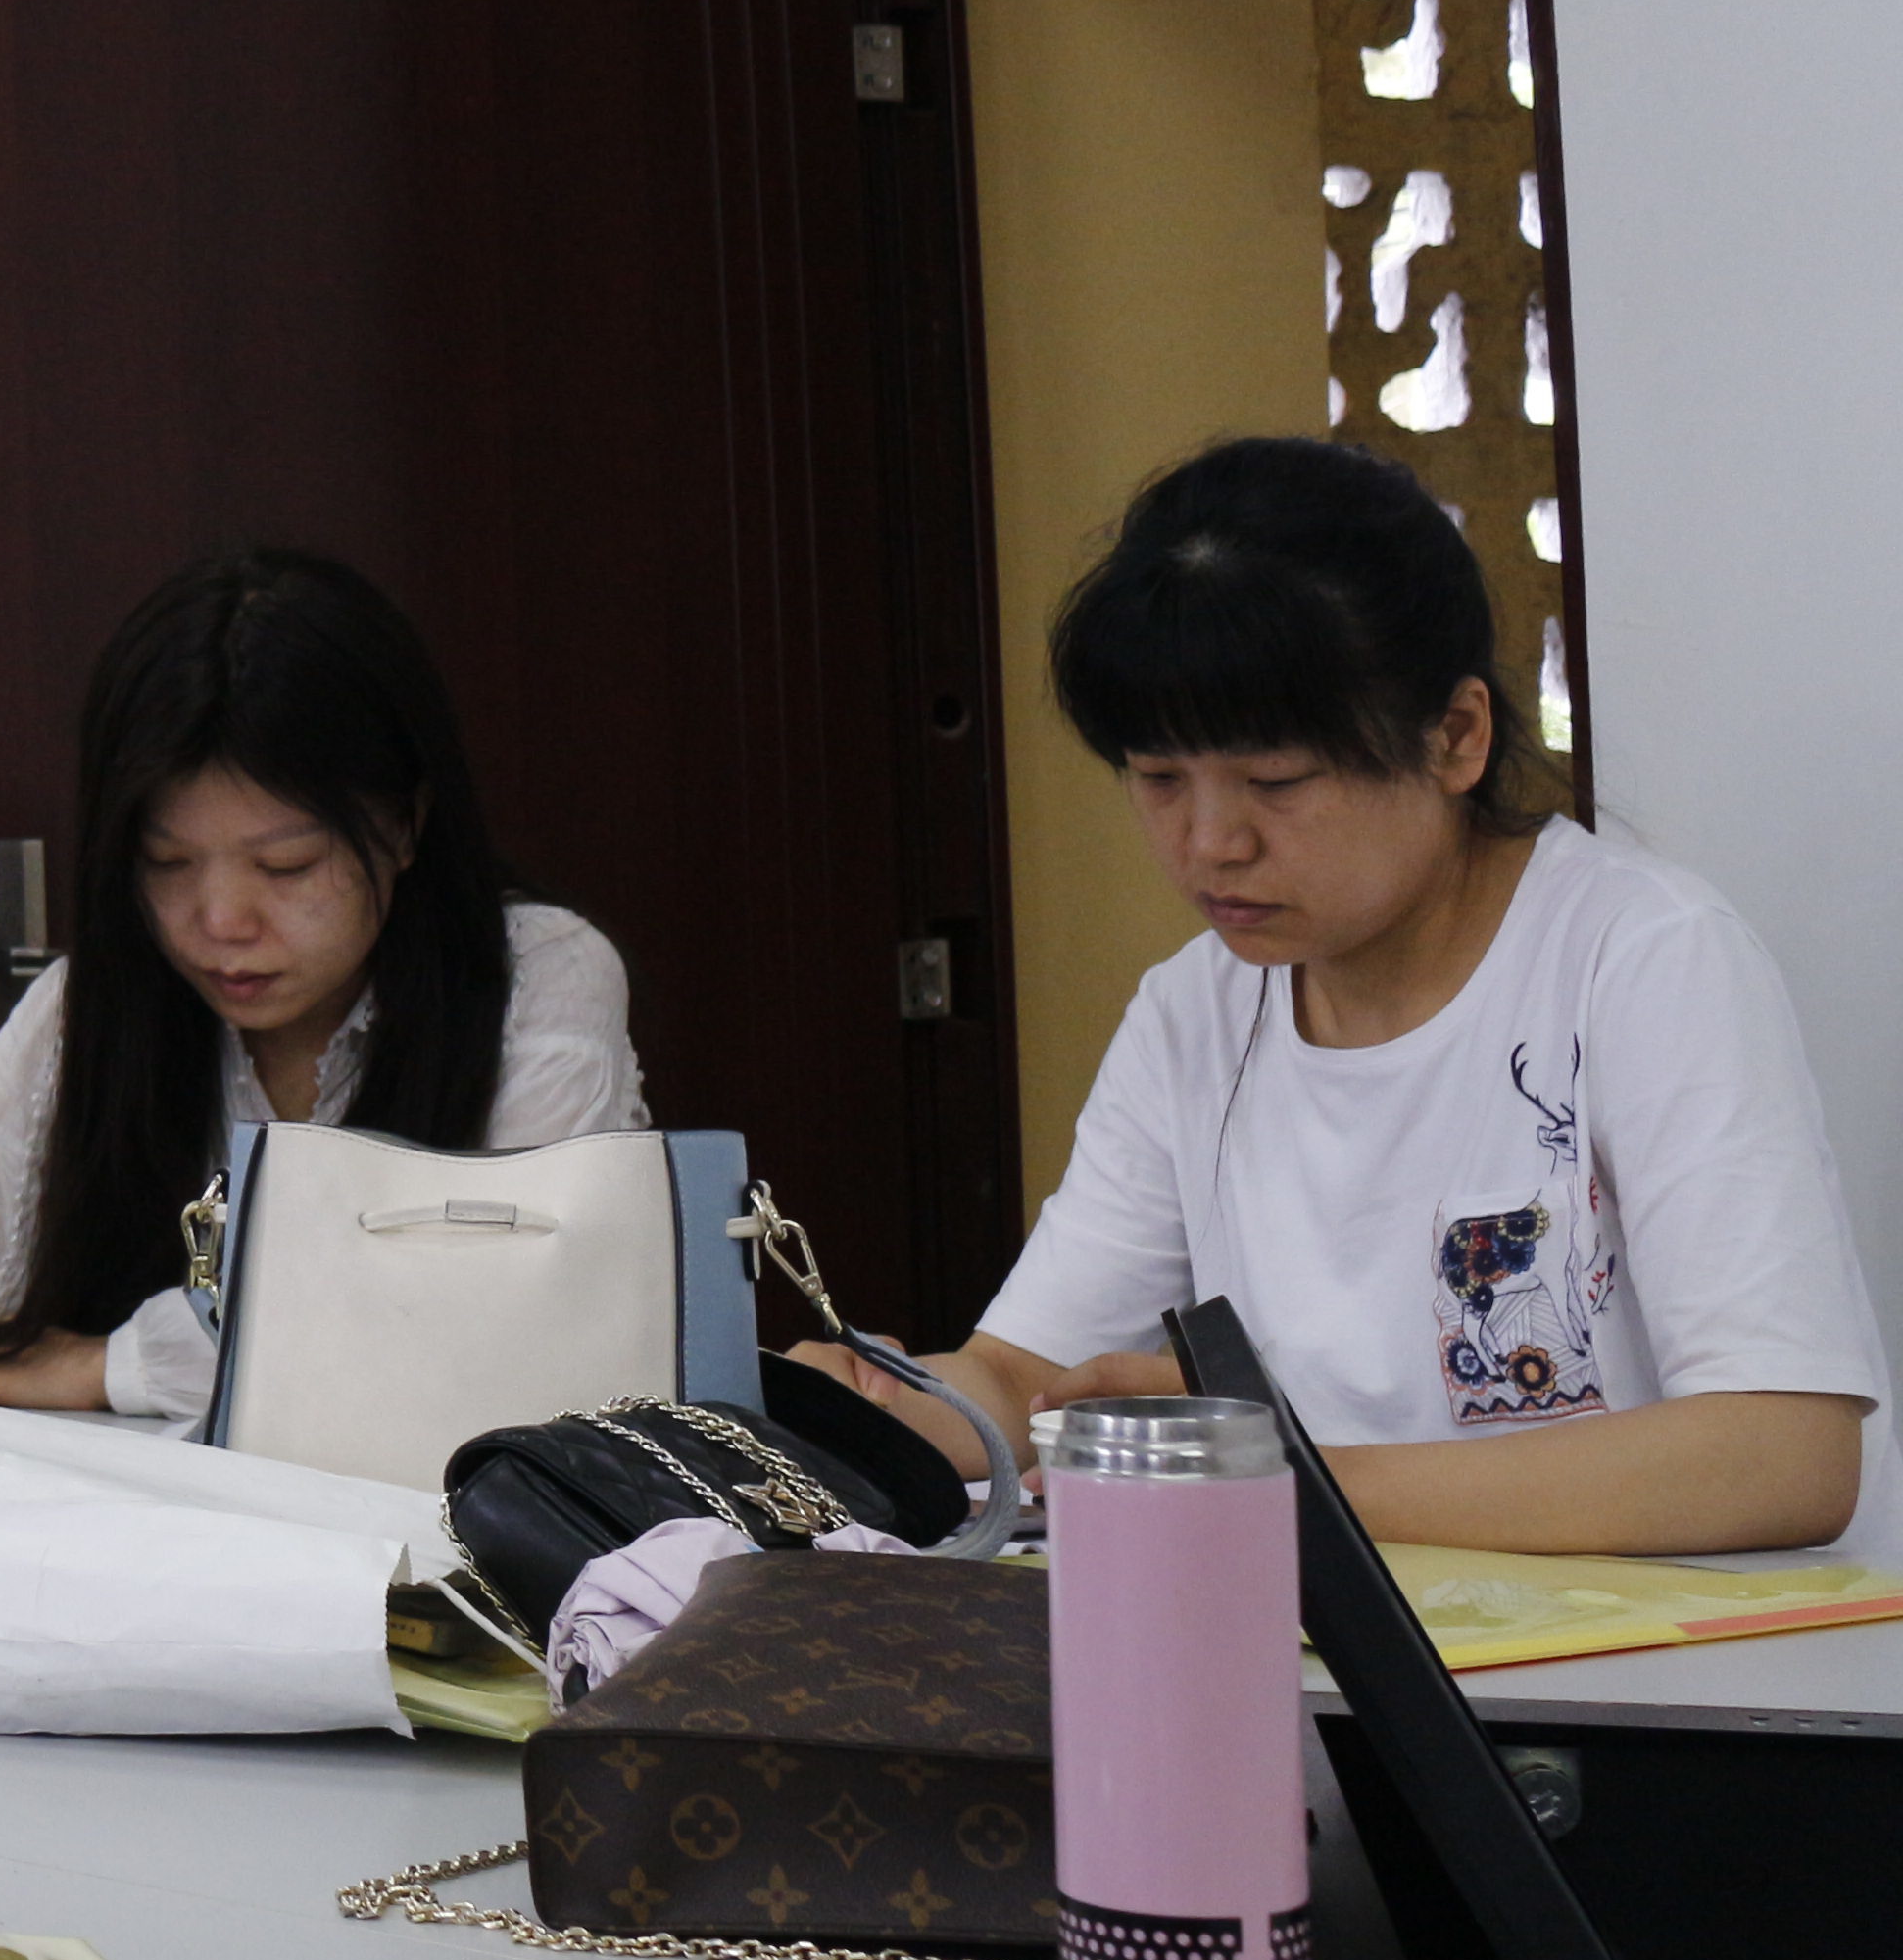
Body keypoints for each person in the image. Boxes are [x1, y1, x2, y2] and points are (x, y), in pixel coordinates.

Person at [806, 437, 1890, 1559]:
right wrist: (851, 1412)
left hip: (1675, 1662)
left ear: (1456, 737)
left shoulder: (1644, 960)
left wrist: (1274, 1479)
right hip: (1339, 1650)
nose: (1210, 843)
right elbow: (1017, 1380)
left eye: (1277, 781)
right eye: (1160, 778)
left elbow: (1782, 1454)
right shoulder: (1195, 1011)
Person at [0, 544, 643, 1416]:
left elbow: (495, 1325)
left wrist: (102, 1367)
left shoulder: (539, 978)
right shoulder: (92, 1005)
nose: (220, 921)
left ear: (405, 827)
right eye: (167, 862)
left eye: (285, 866)